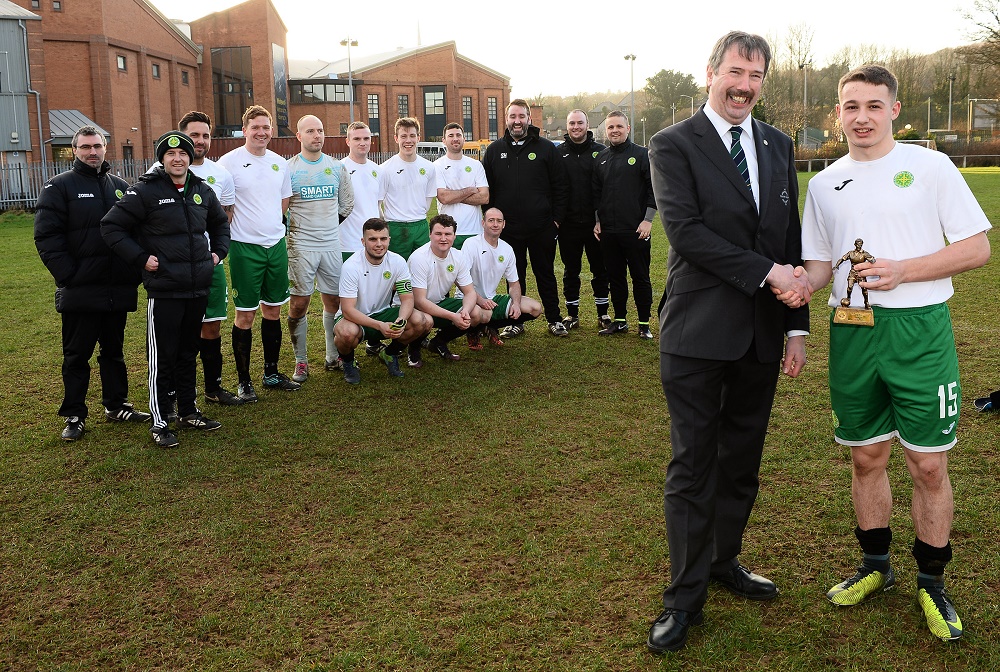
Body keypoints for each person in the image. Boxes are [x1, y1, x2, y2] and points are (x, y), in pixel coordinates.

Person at [798, 64, 991, 643]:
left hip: (919, 332)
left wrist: (904, 270)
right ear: (837, 113)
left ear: (894, 111)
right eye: (850, 106)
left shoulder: (930, 167)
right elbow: (819, 265)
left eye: (873, 106)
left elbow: (977, 248)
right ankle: (875, 567)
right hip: (851, 331)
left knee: (928, 463)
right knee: (865, 458)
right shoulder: (823, 183)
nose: (861, 117)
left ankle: (932, 580)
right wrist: (790, 286)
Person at [645, 31, 810, 654]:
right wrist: (768, 274)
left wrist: (795, 325)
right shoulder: (672, 144)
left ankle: (724, 561)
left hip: (764, 335)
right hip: (696, 333)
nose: (744, 85)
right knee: (693, 466)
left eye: (756, 75)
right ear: (710, 72)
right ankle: (683, 599)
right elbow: (685, 234)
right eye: (735, 72)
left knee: (741, 462)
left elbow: (787, 235)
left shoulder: (777, 143)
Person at [102, 131, 231, 448]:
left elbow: (220, 224)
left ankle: (189, 411)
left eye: (183, 154)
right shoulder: (145, 191)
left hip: (198, 286)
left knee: (189, 352)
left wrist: (218, 253)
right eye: (171, 154)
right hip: (164, 290)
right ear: (162, 159)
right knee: (163, 357)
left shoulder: (201, 190)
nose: (178, 158)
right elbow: (111, 226)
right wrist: (141, 258)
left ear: (190, 158)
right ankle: (160, 421)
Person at [34, 125, 150, 441]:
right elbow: (47, 237)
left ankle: (117, 405)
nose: (92, 152)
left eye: (97, 146)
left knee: (113, 351)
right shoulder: (58, 187)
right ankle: (74, 414)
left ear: (105, 148)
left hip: (116, 288)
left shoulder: (120, 187)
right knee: (76, 355)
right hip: (81, 289)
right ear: (75, 150)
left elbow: (135, 232)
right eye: (85, 147)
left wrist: (132, 273)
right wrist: (69, 276)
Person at [150, 111, 243, 407]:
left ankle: (213, 387)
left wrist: (216, 252)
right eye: (194, 135)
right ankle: (175, 391)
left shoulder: (221, 174)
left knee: (212, 324)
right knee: (178, 331)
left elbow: (224, 217)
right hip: (172, 269)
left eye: (205, 135)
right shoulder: (157, 172)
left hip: (207, 266)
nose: (200, 141)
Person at [217, 105, 298, 401]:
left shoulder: (280, 162)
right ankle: (244, 381)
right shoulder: (228, 162)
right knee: (245, 315)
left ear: (271, 130)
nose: (261, 132)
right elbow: (223, 205)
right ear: (245, 130)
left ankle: (272, 373)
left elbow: (285, 196)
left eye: (266, 127)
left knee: (274, 309)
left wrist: (272, 223)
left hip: (275, 246)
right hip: (244, 247)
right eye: (256, 127)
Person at [483, 98, 569, 338]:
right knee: (514, 276)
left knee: (545, 273)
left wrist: (556, 221)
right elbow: (487, 189)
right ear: (506, 119)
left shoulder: (546, 148)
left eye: (521, 116)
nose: (517, 121)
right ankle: (516, 321)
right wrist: (493, 222)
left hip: (542, 226)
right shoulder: (494, 150)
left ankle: (554, 318)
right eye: (513, 117)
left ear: (529, 119)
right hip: (509, 230)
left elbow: (560, 186)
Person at [285, 114, 355, 383]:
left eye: (321, 130)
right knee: (299, 303)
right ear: (299, 136)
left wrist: (327, 226)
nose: (317, 135)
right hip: (300, 245)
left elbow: (347, 203)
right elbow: (281, 206)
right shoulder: (288, 169)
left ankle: (332, 354)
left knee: (334, 301)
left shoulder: (336, 168)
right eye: (310, 131)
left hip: (330, 244)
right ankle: (300, 361)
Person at [333, 217, 433, 384]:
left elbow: (407, 299)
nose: (379, 244)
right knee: (345, 334)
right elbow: (348, 310)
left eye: (383, 239)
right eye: (372, 239)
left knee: (424, 321)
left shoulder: (398, 261)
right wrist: (379, 325)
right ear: (363, 241)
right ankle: (348, 362)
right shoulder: (351, 266)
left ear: (389, 240)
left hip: (384, 313)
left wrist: (401, 320)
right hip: (355, 318)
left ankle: (390, 353)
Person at [593, 110, 657, 339]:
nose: (615, 131)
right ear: (605, 131)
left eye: (619, 126)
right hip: (609, 232)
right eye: (610, 127)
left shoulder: (642, 155)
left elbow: (654, 190)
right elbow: (596, 193)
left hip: (636, 230)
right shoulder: (601, 158)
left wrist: (648, 220)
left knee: (640, 277)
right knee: (615, 277)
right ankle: (619, 321)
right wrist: (598, 221)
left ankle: (644, 324)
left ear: (628, 128)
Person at [459, 207, 541, 349]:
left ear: (504, 224)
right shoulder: (471, 244)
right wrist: (480, 300)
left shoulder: (507, 249)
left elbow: (514, 283)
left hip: (491, 299)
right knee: (480, 314)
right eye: (491, 220)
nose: (495, 224)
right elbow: (460, 279)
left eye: (499, 221)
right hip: (468, 298)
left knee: (535, 308)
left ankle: (490, 327)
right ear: (483, 223)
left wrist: (516, 303)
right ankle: (473, 332)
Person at [559, 109, 610, 331]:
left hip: (595, 225)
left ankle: (603, 313)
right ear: (566, 126)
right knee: (571, 270)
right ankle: (572, 314)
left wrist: (601, 218)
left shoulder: (602, 152)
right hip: (568, 225)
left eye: (580, 123)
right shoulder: (558, 153)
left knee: (600, 269)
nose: (576, 127)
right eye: (572, 123)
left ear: (587, 125)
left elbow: (608, 189)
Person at [407, 214, 482, 365]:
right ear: (430, 235)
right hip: (412, 308)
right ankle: (413, 349)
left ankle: (438, 342)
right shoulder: (419, 258)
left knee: (476, 313)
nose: (443, 238)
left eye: (448, 234)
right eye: (438, 234)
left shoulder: (458, 256)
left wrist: (465, 311)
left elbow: (470, 292)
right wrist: (453, 317)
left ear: (454, 236)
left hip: (438, 302)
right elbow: (419, 301)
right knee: (425, 320)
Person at [379, 117, 436, 259]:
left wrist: (416, 215)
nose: (408, 141)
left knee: (422, 269)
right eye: (403, 136)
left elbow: (428, 199)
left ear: (418, 138)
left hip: (421, 226)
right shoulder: (385, 169)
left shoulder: (429, 167)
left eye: (412, 136)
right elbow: (377, 203)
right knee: (397, 271)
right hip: (396, 228)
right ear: (396, 138)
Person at [434, 122, 490, 249]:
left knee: (475, 269)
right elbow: (443, 198)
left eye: (458, 135)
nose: (455, 138)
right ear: (444, 140)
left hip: (474, 231)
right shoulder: (437, 166)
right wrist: (470, 190)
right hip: (448, 232)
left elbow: (484, 198)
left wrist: (453, 194)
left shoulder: (476, 165)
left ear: (464, 139)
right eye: (451, 135)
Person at [340, 122, 382, 261]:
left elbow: (377, 206)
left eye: (366, 138)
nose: (362, 143)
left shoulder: (377, 170)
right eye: (357, 139)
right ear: (347, 141)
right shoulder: (339, 168)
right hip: (347, 245)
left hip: (372, 244)